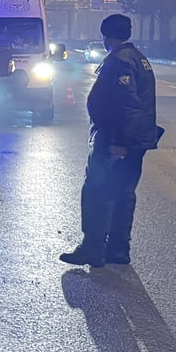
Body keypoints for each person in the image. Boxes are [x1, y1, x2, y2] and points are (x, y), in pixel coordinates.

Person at [60, 14, 161, 266]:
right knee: (123, 193)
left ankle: (92, 247)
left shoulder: (119, 62)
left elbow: (124, 105)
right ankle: (118, 249)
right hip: (135, 139)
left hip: (115, 140)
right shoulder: (139, 58)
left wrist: (118, 142)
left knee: (97, 191)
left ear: (107, 35)